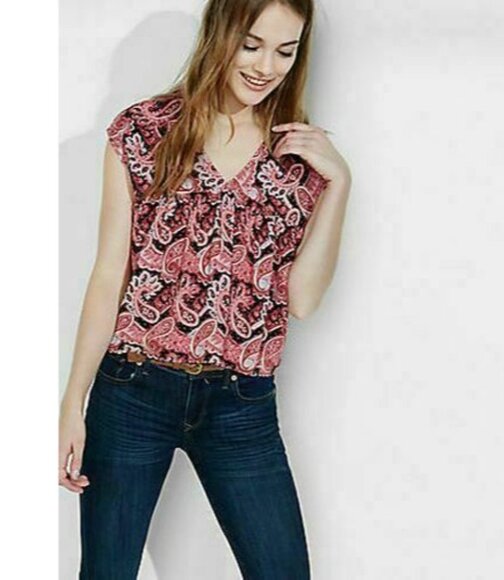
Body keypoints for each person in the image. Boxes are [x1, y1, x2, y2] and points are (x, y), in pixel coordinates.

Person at [59, 0, 351, 577]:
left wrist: (339, 183)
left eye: (285, 51)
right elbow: (109, 274)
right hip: (133, 390)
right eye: (252, 44)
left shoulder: (298, 158)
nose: (266, 67)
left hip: (240, 405)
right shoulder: (144, 131)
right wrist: (73, 403)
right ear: (220, 34)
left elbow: (302, 299)